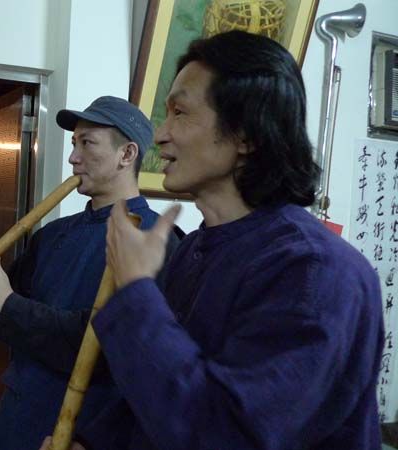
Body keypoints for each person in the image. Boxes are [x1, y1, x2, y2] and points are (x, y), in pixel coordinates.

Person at [42, 30, 384, 450]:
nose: (160, 134)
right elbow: (152, 398)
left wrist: (135, 289)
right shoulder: (195, 250)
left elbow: (227, 432)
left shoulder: (315, 270)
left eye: (180, 112)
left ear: (246, 134)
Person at [0, 96, 182, 449]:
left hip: (83, 429)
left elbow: (105, 346)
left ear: (126, 154)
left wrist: (8, 302)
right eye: (74, 143)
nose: (73, 157)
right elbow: (5, 315)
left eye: (87, 143)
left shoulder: (157, 241)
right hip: (17, 414)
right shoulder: (52, 234)